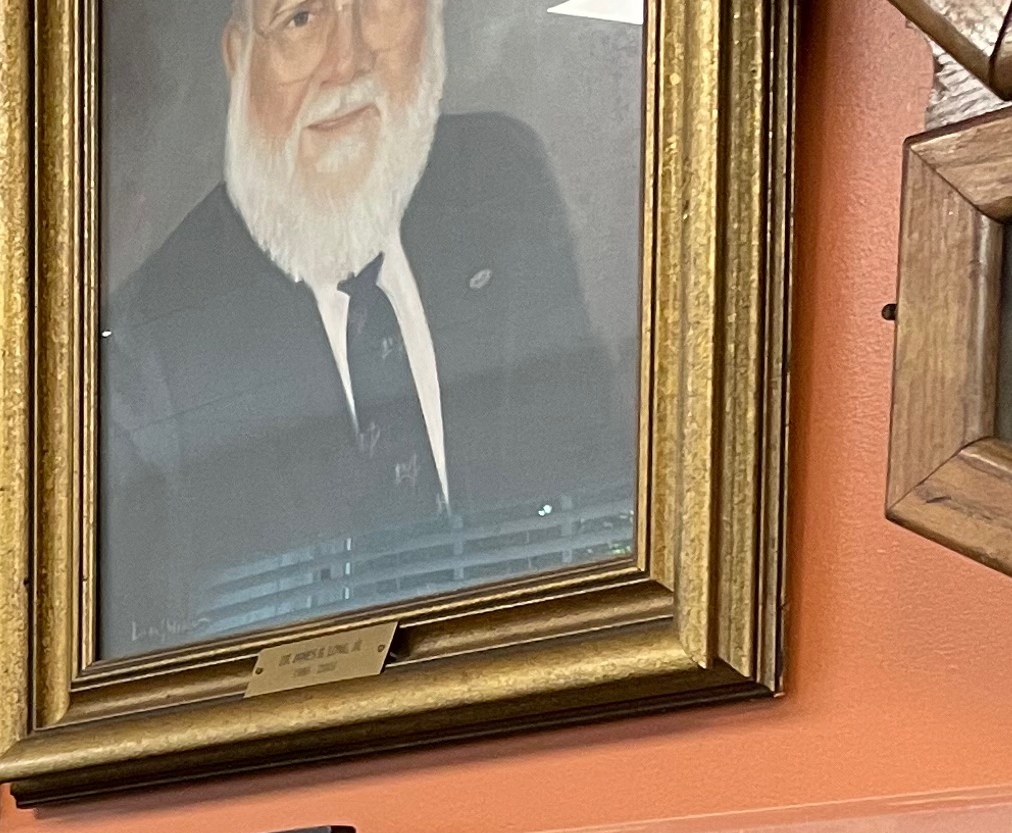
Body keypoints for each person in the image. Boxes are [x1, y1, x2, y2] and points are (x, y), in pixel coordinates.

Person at [97, 0, 627, 661]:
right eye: (301, 18)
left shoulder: (499, 182)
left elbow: (590, 485)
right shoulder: (156, 340)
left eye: (378, 4)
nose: (346, 61)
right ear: (240, 59)